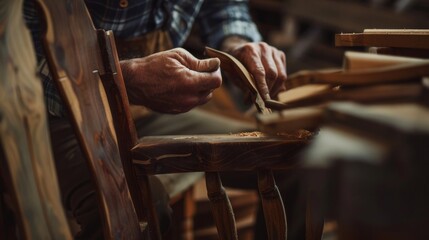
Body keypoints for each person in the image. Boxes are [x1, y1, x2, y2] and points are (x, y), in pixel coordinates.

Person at [24, 0, 304, 239]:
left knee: (299, 160)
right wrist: (123, 80)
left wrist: (237, 43)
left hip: (146, 112)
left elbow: (223, 6)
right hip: (48, 109)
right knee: (138, 211)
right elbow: (12, 58)